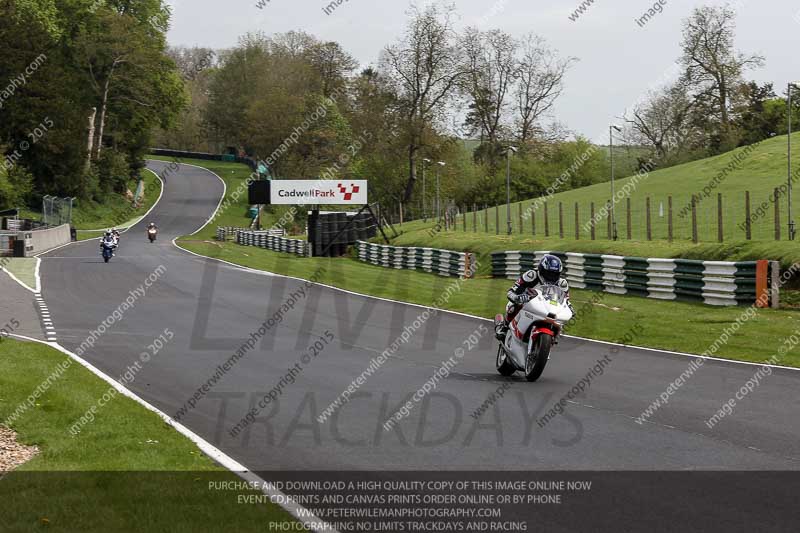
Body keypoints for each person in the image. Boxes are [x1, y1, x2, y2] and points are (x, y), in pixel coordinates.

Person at [496, 254, 573, 340]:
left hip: (547, 306)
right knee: (512, 307)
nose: (551, 276)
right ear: (541, 269)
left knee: (559, 318)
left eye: (554, 274)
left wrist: (570, 308)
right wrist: (517, 297)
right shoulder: (531, 275)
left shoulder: (562, 284)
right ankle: (504, 328)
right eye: (548, 273)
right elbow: (512, 291)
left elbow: (565, 300)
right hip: (527, 302)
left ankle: (552, 337)